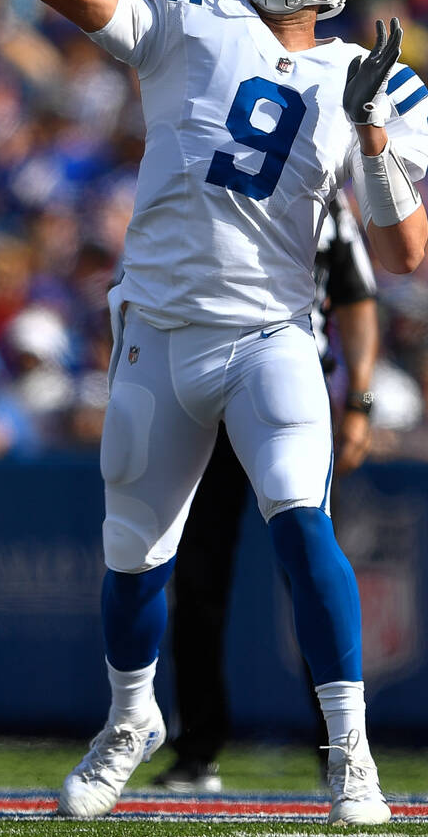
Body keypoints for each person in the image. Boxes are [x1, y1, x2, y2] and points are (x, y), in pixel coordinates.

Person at [0, 0, 428, 825]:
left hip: (271, 334)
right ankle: (131, 720)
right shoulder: (187, 11)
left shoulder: (368, 76)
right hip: (156, 329)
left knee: (301, 522)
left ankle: (350, 752)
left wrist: (369, 134)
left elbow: (402, 256)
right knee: (132, 555)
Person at [154, 192, 379, 793]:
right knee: (197, 578)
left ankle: (341, 749)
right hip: (204, 402)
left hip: (288, 398)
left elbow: (357, 300)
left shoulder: (323, 200)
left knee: (309, 563)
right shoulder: (204, 182)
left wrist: (358, 401)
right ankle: (197, 746)